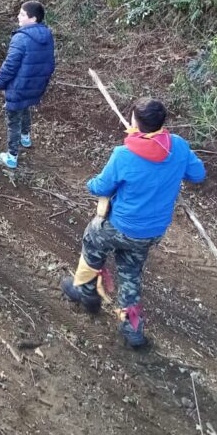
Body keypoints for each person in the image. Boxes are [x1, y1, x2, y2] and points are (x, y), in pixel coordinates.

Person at [60, 98, 206, 350]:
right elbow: (198, 174)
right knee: (130, 272)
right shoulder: (179, 147)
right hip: (151, 232)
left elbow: (101, 187)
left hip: (121, 226)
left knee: (93, 238)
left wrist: (90, 183)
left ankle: (85, 291)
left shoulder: (124, 155)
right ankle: (132, 328)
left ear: (136, 123)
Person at [0, 0, 55, 170]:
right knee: (26, 106)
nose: (18, 17)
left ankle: (12, 156)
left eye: (22, 14)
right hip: (35, 85)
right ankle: (26, 137)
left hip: (18, 86)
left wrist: (0, 83)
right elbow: (50, 63)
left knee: (13, 118)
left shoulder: (21, 38)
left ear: (33, 18)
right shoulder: (47, 34)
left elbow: (10, 66)